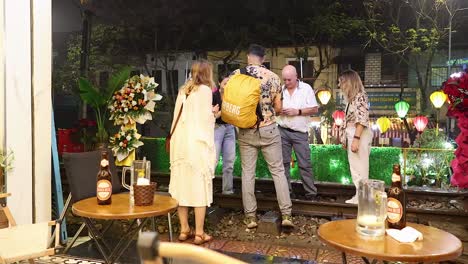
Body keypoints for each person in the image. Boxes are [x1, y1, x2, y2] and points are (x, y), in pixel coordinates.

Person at [231, 44, 293, 228]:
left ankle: (250, 217)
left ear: (248, 56)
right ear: (263, 58)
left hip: (246, 129)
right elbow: (279, 108)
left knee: (248, 173)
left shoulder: (237, 75)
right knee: (278, 172)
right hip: (269, 129)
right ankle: (287, 214)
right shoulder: (273, 78)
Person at [169, 60, 218, 244]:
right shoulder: (205, 91)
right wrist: (214, 114)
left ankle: (183, 230)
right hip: (196, 149)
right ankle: (199, 233)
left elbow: (178, 119)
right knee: (199, 190)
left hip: (180, 147)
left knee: (181, 189)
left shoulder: (183, 90)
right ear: (207, 73)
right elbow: (204, 122)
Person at [277, 65, 318, 200]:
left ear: (296, 77)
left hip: (300, 132)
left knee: (304, 164)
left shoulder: (306, 89)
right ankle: (286, 193)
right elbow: (273, 108)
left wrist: (297, 111)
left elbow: (314, 109)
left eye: (289, 80)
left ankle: (311, 193)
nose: (287, 83)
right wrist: (279, 110)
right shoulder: (280, 90)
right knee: (283, 165)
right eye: (285, 80)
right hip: (282, 130)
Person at [338, 70, 372, 204]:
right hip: (354, 134)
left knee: (360, 167)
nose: (340, 85)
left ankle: (362, 197)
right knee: (356, 167)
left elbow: (362, 119)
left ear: (349, 82)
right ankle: (360, 195)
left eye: (342, 82)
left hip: (359, 134)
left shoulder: (359, 97)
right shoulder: (353, 98)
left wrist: (356, 139)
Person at [212, 75, 236, 195]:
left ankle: (227, 190)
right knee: (213, 160)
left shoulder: (232, 96)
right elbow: (213, 116)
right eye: (225, 83)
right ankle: (207, 189)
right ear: (219, 83)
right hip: (217, 128)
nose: (227, 86)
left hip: (230, 127)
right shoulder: (213, 96)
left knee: (229, 161)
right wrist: (224, 110)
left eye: (230, 84)